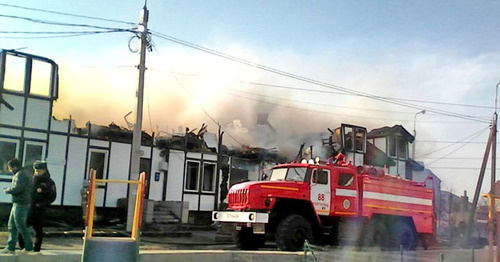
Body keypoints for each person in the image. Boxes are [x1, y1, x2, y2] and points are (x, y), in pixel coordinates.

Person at [19, 160, 55, 252]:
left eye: (40, 170)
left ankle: (37, 248)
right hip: (28, 207)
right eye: (36, 170)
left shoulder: (49, 182)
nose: (37, 172)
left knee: (38, 229)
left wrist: (43, 203)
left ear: (45, 170)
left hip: (40, 209)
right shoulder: (31, 180)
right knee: (23, 227)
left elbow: (52, 196)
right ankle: (23, 247)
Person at [1, 159, 33, 253]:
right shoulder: (20, 174)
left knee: (20, 225)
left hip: (21, 204)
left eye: (10, 168)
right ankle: (10, 247)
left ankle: (29, 247)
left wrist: (8, 190)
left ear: (14, 167)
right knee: (12, 225)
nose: (10, 170)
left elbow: (18, 188)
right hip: (17, 203)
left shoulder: (21, 174)